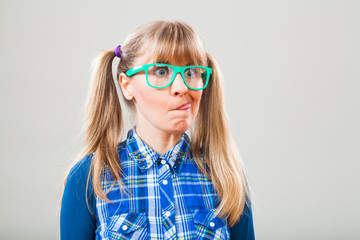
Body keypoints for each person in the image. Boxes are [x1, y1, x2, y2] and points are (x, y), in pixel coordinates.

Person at [60, 20, 255, 240]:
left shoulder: (225, 174)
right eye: (162, 71)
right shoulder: (88, 179)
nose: (182, 87)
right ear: (127, 85)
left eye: (191, 72)